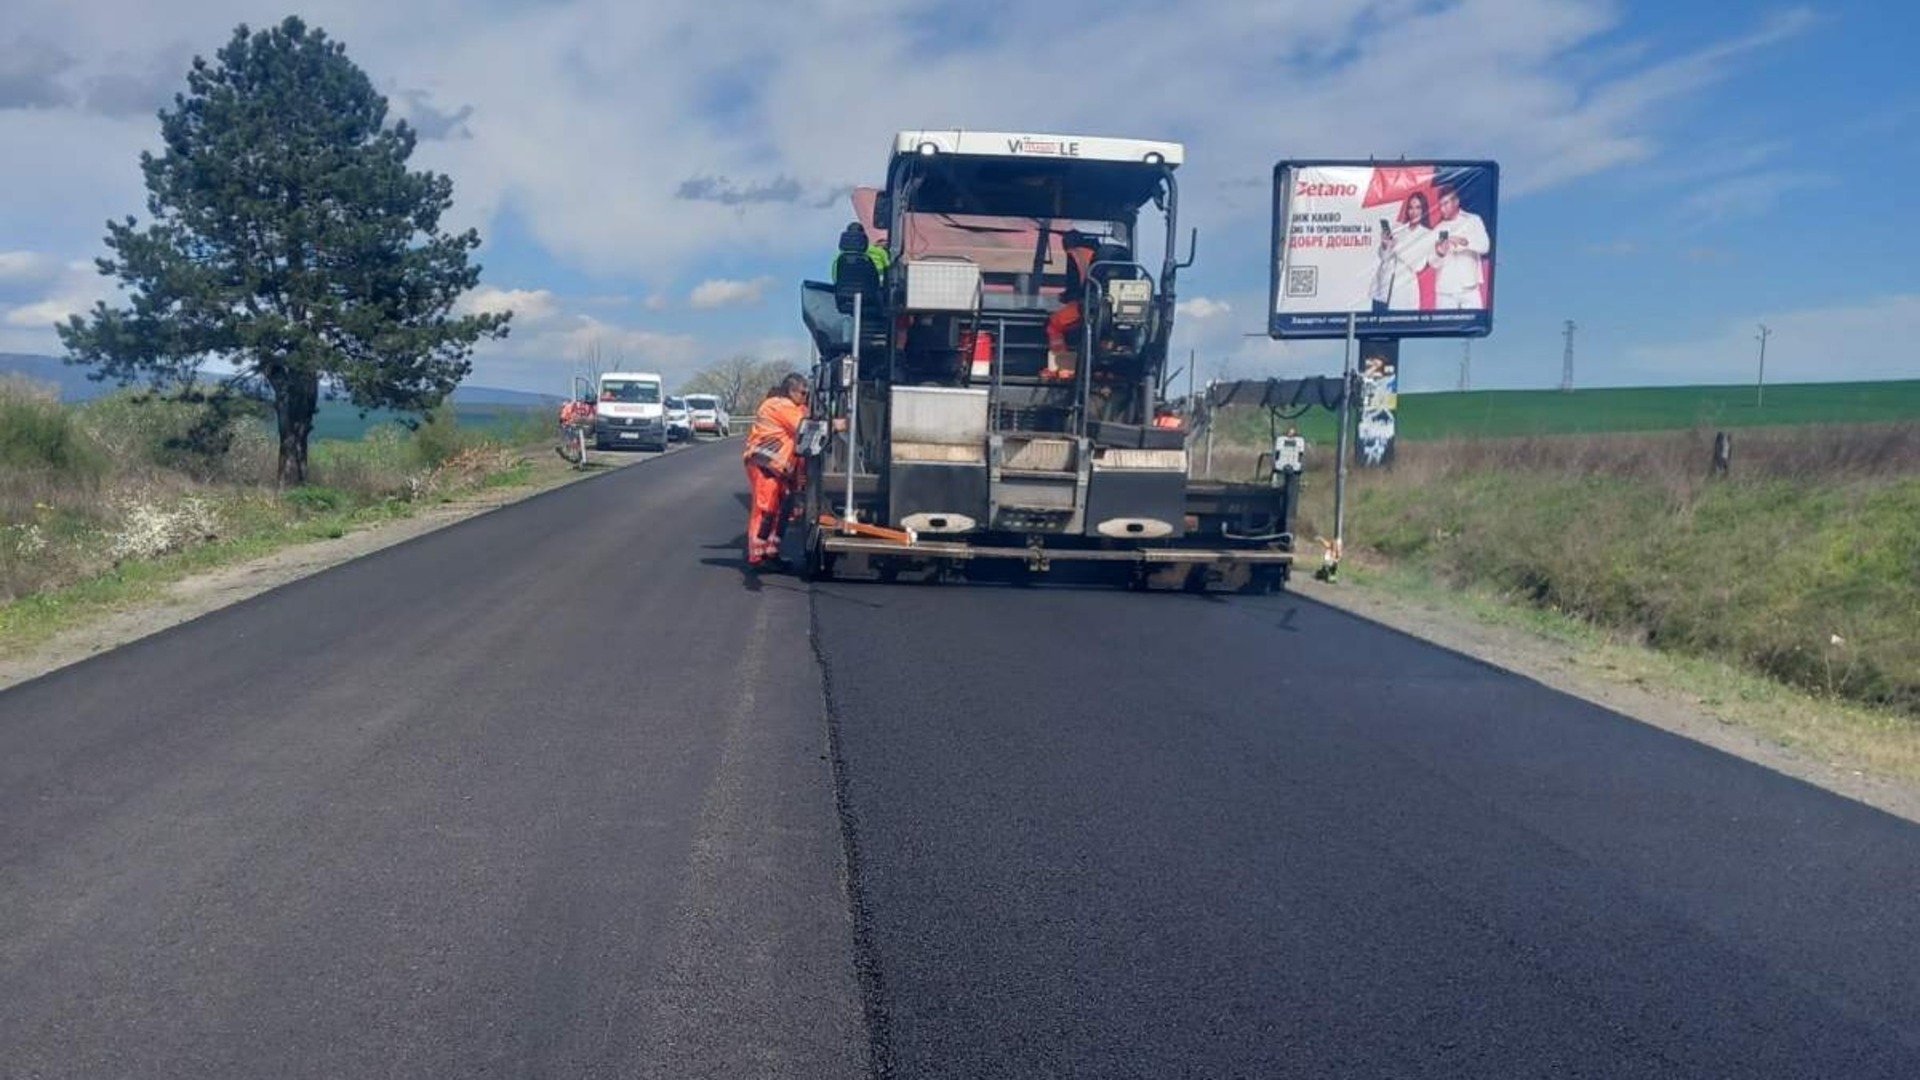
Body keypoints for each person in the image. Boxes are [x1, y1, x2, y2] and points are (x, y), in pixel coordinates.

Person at [742, 373, 811, 569]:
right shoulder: (780, 406)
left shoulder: (793, 407)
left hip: (779, 469)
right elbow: (806, 427)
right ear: (791, 391)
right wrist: (839, 424)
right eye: (803, 393)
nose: (805, 397)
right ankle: (757, 556)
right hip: (765, 464)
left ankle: (771, 552)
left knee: (781, 510)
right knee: (765, 509)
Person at [1044, 231, 1102, 380]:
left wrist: (1064, 296)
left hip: (1087, 306)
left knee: (1055, 323)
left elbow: (1075, 287)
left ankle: (1064, 367)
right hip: (1106, 310)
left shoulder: (1075, 254)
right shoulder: (1101, 255)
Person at [1428, 185, 1490, 310]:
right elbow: (1432, 263)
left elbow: (1485, 247)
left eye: (1446, 203)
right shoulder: (1437, 229)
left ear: (1456, 202)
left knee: (1474, 325)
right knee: (1443, 328)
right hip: (1445, 291)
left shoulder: (1473, 221)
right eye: (1441, 205)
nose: (1443, 208)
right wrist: (1440, 252)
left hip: (1469, 287)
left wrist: (1464, 242)